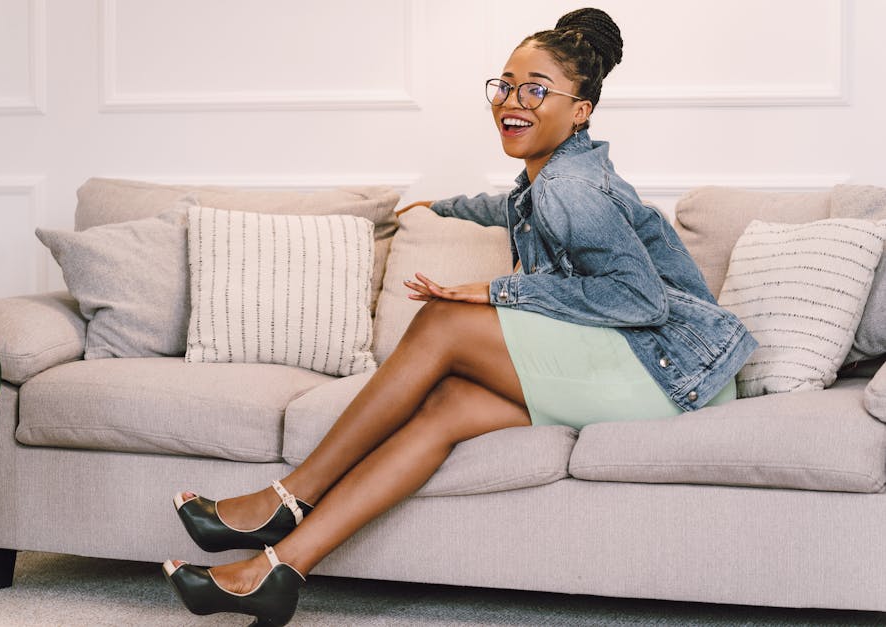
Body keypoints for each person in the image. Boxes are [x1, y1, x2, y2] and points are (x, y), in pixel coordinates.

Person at [162, 8, 757, 625]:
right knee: (445, 405)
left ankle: (288, 497)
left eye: (535, 89)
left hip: (668, 373)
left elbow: (641, 301)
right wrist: (446, 207)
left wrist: (503, 292)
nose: (511, 100)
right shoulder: (556, 174)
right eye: (505, 85)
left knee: (445, 321)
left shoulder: (570, 187)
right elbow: (518, 207)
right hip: (667, 371)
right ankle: (274, 571)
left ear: (579, 109)